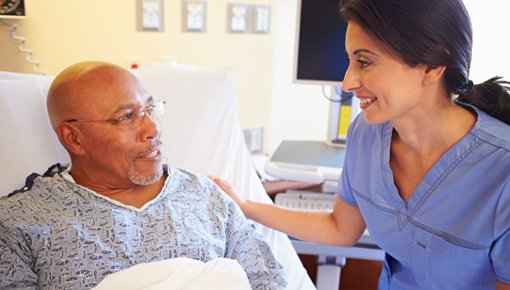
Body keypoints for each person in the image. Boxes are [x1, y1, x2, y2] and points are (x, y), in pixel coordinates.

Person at [212, 0, 510, 289]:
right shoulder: (367, 135)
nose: (347, 82)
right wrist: (246, 206)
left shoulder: (501, 172)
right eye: (350, 61)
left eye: (364, 62)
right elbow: (340, 229)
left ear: (432, 66)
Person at [0, 61, 286, 289]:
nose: (153, 129)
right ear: (73, 138)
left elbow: (266, 281)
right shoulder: (19, 222)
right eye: (127, 117)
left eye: (150, 109)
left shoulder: (207, 197)